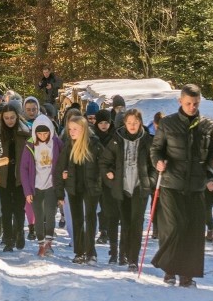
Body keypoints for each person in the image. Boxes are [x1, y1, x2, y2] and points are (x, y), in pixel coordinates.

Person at [150, 84, 213, 288]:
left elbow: (212, 152)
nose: (192, 107)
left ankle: (187, 275)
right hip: (171, 183)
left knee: (193, 230)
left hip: (196, 185)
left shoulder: (208, 126)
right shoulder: (168, 124)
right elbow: (156, 149)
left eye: (195, 103)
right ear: (180, 102)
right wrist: (158, 161)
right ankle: (169, 269)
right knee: (175, 226)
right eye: (188, 103)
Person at [100, 109, 156, 270]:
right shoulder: (117, 139)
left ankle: (133, 258)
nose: (132, 126)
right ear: (125, 123)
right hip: (122, 187)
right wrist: (109, 175)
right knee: (125, 222)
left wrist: (150, 181)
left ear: (140, 123)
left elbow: (154, 166)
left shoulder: (147, 140)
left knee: (136, 222)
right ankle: (122, 253)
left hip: (140, 186)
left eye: (135, 123)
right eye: (129, 123)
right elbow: (104, 161)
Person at [56, 115, 103, 264]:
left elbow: (104, 164)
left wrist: (102, 180)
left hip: (91, 187)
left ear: (83, 129)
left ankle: (91, 252)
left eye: (75, 129)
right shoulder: (68, 145)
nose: (71, 132)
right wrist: (59, 192)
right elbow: (59, 168)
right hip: (74, 187)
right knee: (77, 220)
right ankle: (79, 251)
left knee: (90, 218)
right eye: (70, 129)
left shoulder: (94, 144)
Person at [20, 114, 63, 257]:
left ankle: (49, 242)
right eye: (40, 133)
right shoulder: (30, 144)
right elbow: (24, 169)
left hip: (51, 184)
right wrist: (27, 191)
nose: (43, 136)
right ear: (35, 133)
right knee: (38, 215)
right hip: (35, 186)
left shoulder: (56, 143)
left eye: (46, 133)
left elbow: (63, 160)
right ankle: (41, 244)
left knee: (50, 213)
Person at [0, 104, 31, 252]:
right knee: (6, 209)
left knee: (18, 208)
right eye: (6, 118)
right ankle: (8, 238)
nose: (9, 121)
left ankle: (19, 232)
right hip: (4, 175)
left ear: (17, 117)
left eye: (12, 117)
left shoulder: (24, 134)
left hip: (19, 176)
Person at [92, 109, 115, 246]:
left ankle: (106, 230)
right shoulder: (93, 136)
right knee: (98, 205)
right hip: (95, 174)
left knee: (108, 204)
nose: (104, 125)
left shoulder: (115, 136)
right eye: (101, 122)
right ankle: (102, 230)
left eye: (106, 122)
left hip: (110, 175)